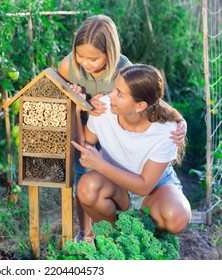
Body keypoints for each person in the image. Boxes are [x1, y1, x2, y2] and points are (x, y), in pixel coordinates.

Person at [56, 14, 187, 241]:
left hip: (113, 125)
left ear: (110, 53)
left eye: (93, 59)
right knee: (83, 178)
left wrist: (179, 120)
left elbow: (147, 96)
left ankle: (140, 232)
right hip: (96, 125)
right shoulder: (69, 67)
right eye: (80, 56)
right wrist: (77, 105)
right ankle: (87, 231)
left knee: (94, 168)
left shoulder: (123, 70)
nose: (85, 63)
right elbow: (60, 94)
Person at [72, 64, 191, 239]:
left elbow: (143, 187)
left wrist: (101, 165)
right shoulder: (104, 108)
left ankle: (147, 236)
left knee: (176, 217)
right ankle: (117, 238)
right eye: (114, 89)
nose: (110, 95)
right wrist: (76, 110)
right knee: (87, 188)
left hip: (154, 189)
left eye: (119, 94)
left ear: (140, 105)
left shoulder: (168, 131)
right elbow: (85, 147)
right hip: (115, 187)